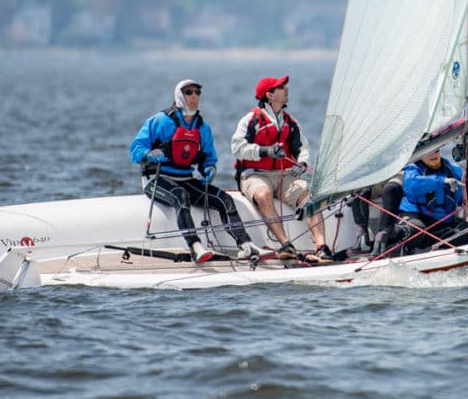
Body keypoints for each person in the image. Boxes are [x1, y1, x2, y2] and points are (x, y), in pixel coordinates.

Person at [130, 79, 267, 264]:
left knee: (223, 199)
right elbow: (136, 149)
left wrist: (209, 169)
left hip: (185, 178)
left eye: (197, 92)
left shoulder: (202, 127)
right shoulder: (159, 121)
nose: (194, 96)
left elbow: (208, 158)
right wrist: (149, 154)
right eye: (188, 92)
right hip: (156, 179)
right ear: (179, 96)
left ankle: (245, 245)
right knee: (180, 195)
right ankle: (195, 247)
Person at [231, 75, 334, 264]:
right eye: (281, 87)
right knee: (263, 194)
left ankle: (321, 247)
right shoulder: (251, 119)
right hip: (254, 175)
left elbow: (303, 148)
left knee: (308, 197)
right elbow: (237, 147)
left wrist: (302, 163)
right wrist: (265, 151)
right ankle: (286, 244)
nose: (286, 89)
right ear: (269, 95)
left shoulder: (290, 122)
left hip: (285, 175)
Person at [394, 147, 468, 254]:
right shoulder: (413, 169)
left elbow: (463, 195)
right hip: (415, 218)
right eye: (428, 152)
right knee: (415, 231)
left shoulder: (452, 170)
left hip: (442, 223)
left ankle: (441, 249)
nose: (433, 155)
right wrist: (442, 181)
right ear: (420, 154)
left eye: (436, 151)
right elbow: (412, 187)